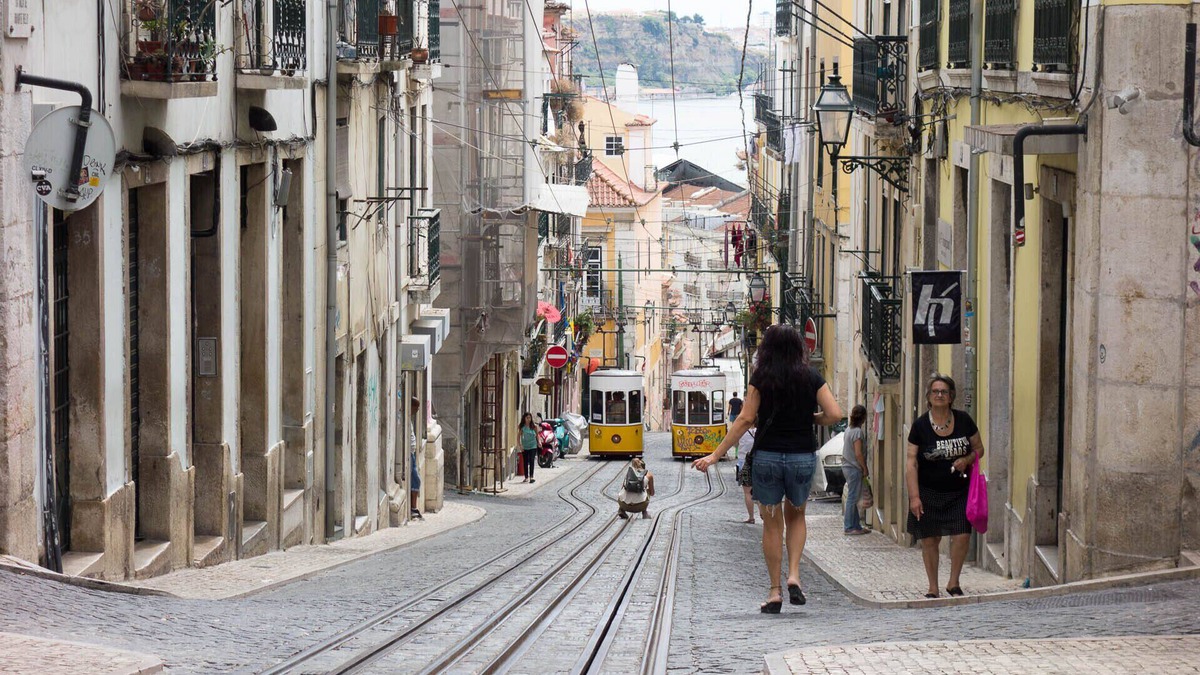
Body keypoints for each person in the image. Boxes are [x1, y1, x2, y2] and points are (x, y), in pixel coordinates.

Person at [693, 324, 843, 613]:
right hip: (801, 456)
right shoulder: (811, 377)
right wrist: (809, 419)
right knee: (797, 516)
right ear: (799, 349)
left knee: (772, 523)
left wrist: (715, 455)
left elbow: (746, 419)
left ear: (767, 350)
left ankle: (774, 591)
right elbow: (835, 413)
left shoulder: (761, 377)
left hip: (768, 458)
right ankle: (794, 575)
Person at [906, 373, 985, 598]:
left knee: (962, 535)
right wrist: (914, 497)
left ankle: (953, 582)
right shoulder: (920, 426)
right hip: (928, 492)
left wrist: (967, 460)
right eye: (935, 392)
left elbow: (979, 448)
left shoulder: (964, 420)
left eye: (944, 392)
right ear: (929, 397)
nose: (939, 395)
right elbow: (911, 462)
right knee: (930, 539)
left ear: (951, 397)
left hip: (959, 491)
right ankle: (933, 586)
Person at [842, 405, 870, 535]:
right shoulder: (857, 432)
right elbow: (858, 453)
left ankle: (856, 526)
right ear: (863, 417)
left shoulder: (848, 430)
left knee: (853, 496)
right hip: (854, 468)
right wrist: (864, 468)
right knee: (853, 497)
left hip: (847, 467)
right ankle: (849, 527)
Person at [736, 423, 757, 524]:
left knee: (747, 492)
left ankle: (751, 517)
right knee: (760, 490)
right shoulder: (760, 431)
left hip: (743, 463)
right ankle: (763, 514)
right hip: (758, 463)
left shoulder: (741, 431)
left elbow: (735, 444)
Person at [408, 397, 424, 519]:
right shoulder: (406, 418)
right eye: (416, 407)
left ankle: (414, 507)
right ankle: (413, 508)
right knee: (415, 480)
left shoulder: (409, 419)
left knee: (416, 480)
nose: (418, 410)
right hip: (409, 455)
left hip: (412, 453)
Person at [519, 411, 539, 483]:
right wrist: (520, 445)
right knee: (525, 461)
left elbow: (537, 435)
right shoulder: (522, 427)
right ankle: (526, 477)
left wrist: (539, 442)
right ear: (524, 418)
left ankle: (531, 477)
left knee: (531, 460)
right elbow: (519, 436)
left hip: (533, 445)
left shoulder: (534, 427)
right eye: (527, 418)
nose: (528, 419)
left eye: (530, 418)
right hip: (525, 446)